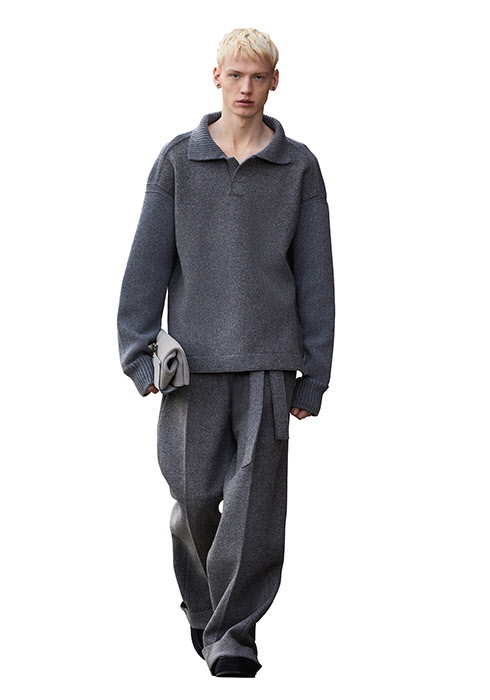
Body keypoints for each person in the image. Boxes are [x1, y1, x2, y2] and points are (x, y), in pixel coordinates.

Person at [117, 27, 335, 678]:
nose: (246, 87)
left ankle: (234, 636)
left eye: (258, 77)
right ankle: (205, 606)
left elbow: (316, 275)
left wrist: (315, 373)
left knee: (253, 509)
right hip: (190, 366)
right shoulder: (177, 162)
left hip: (269, 362)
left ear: (275, 83)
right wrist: (138, 353)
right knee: (192, 497)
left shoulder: (299, 168)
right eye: (235, 75)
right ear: (216, 77)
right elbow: (147, 262)